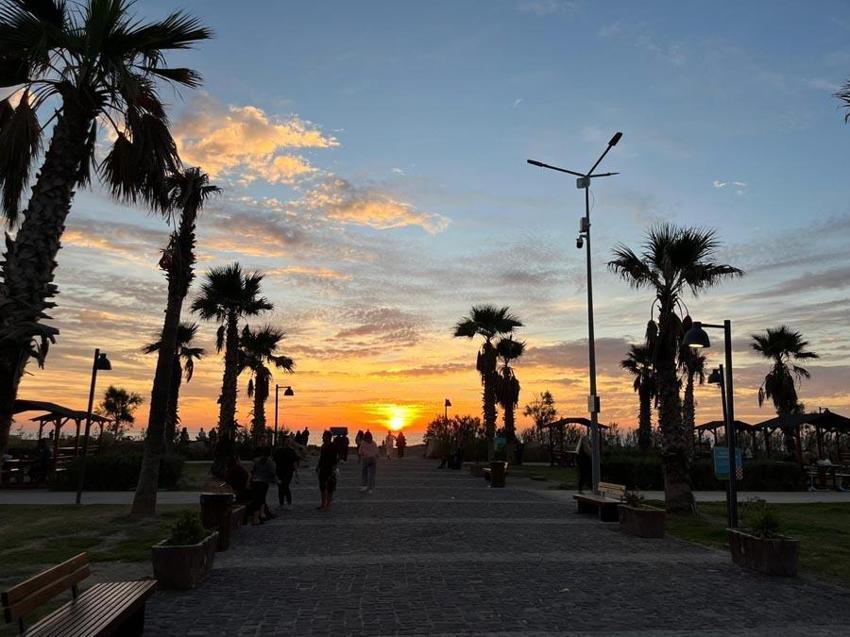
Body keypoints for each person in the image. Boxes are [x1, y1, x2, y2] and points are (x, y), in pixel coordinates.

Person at [249, 447, 277, 525]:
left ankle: (260, 515)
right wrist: (276, 480)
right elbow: (272, 473)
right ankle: (256, 519)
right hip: (263, 482)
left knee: (259, 499)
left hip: (255, 481)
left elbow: (253, 471)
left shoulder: (257, 461)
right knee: (260, 500)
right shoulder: (270, 462)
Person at [273, 436, 299, 507]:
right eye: (286, 441)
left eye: (289, 441)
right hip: (279, 471)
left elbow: (294, 462)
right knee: (280, 487)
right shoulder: (278, 451)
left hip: (288, 471)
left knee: (286, 485)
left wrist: (296, 473)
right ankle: (281, 503)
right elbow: (274, 461)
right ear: (283, 442)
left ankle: (289, 502)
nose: (288, 442)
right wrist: (274, 472)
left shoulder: (292, 451)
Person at [316, 430, 338, 510]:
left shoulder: (333, 446)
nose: (322, 437)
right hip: (323, 469)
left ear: (328, 437)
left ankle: (328, 505)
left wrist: (333, 470)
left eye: (324, 436)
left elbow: (335, 460)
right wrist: (318, 466)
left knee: (330, 488)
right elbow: (321, 458)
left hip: (330, 469)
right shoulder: (323, 446)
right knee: (322, 487)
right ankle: (323, 504)